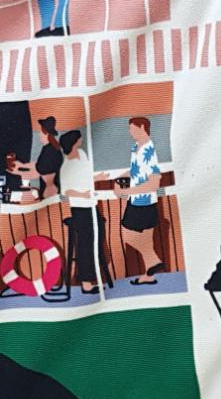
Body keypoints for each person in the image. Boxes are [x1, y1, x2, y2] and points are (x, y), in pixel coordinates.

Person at [114, 116, 165, 285]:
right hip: (136, 199)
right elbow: (135, 170)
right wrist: (120, 178)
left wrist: (125, 191)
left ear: (142, 127)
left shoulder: (148, 150)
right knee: (146, 241)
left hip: (144, 202)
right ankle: (149, 275)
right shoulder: (136, 147)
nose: (130, 132)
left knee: (128, 235)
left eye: (132, 128)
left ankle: (154, 261)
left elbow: (154, 182)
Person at [57, 130, 107, 292]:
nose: (81, 141)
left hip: (91, 205)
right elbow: (66, 192)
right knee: (86, 243)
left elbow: (85, 176)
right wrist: (82, 194)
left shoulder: (82, 155)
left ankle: (94, 275)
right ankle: (86, 282)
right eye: (79, 139)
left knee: (98, 236)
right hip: (79, 208)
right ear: (74, 142)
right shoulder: (66, 166)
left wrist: (98, 178)